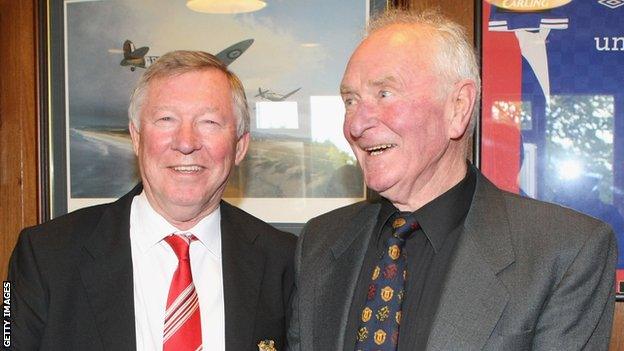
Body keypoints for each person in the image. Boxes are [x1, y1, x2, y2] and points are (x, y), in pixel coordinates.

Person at [287, 10, 616, 351]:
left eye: (384, 94)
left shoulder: (563, 252)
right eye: (350, 101)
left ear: (458, 106)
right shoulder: (320, 242)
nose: (355, 125)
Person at [8, 51, 296, 350]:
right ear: (136, 137)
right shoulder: (46, 255)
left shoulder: (284, 262)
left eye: (209, 122)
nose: (186, 143)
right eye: (166, 119)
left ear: (239, 147)